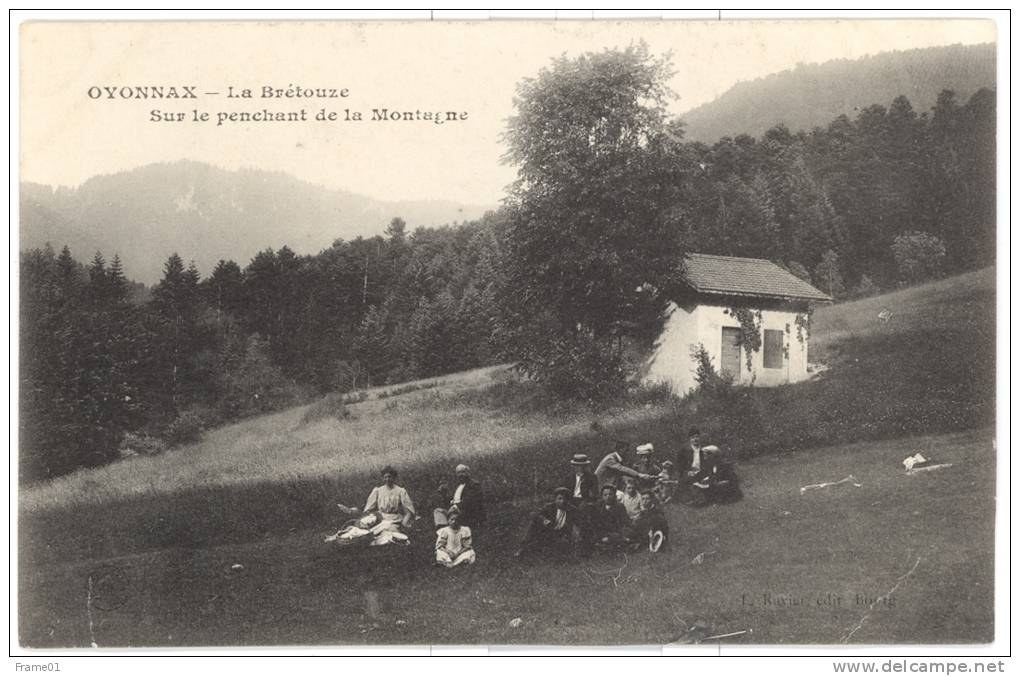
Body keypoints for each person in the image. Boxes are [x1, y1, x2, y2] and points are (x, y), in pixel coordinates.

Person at [515, 487, 576, 557]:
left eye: (565, 499)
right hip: (548, 532)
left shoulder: (572, 509)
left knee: (563, 550)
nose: (562, 501)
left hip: (561, 534)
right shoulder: (549, 507)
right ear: (555, 499)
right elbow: (534, 514)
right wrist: (544, 520)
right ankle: (522, 548)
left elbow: (578, 522)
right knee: (533, 523)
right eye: (560, 498)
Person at [434, 463, 486, 531]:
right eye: (458, 473)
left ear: (468, 473)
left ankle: (449, 530)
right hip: (455, 509)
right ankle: (443, 531)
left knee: (453, 514)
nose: (460, 474)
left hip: (466, 510)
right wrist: (444, 495)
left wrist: (455, 506)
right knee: (438, 511)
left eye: (463, 472)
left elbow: (470, 501)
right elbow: (451, 500)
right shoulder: (457, 486)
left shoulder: (474, 485)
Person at [589, 484, 630, 550]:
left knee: (621, 536)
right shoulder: (598, 506)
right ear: (602, 496)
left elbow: (625, 522)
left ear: (615, 495)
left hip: (615, 531)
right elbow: (594, 523)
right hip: (602, 531)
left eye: (610, 494)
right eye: (605, 495)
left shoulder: (619, 506)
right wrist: (602, 535)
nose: (608, 497)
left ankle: (611, 544)